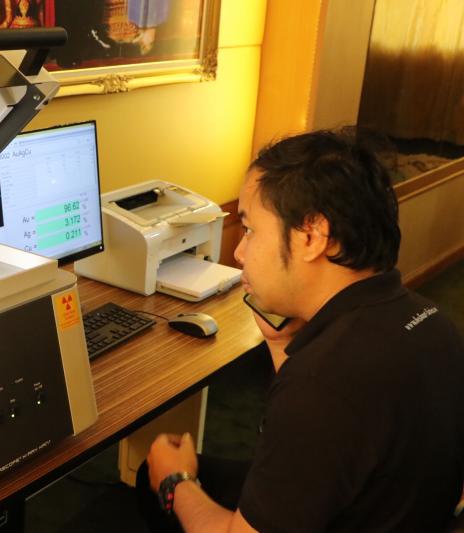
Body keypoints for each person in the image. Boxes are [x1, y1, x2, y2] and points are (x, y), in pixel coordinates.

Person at [138, 128, 464, 532]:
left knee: (154, 477)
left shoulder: (323, 382)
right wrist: (280, 345)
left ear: (311, 236)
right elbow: (323, 442)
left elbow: (317, 407)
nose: (239, 252)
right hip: (399, 512)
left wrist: (175, 482)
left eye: (250, 229)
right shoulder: (432, 320)